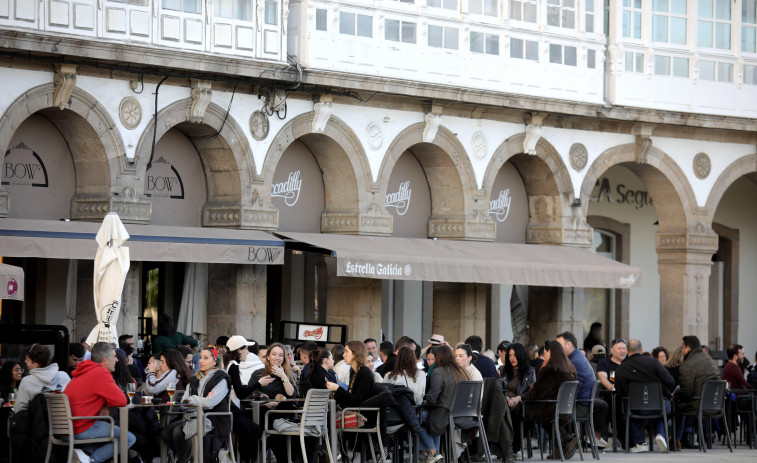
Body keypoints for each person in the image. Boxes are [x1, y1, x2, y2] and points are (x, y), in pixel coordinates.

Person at [64, 342, 136, 463]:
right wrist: (107, 404)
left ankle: (84, 453)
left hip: (65, 427)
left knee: (112, 432)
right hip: (81, 427)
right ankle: (90, 460)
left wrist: (106, 404)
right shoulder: (100, 373)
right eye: (114, 356)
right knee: (128, 438)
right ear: (105, 360)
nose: (117, 360)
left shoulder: (84, 371)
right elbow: (122, 400)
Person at [162, 346, 232, 463]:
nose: (201, 361)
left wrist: (193, 398)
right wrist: (199, 400)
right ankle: (188, 455)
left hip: (213, 419)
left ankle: (182, 460)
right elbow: (184, 403)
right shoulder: (194, 379)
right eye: (200, 357)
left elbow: (209, 404)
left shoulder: (221, 378)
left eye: (206, 358)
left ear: (215, 361)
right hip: (193, 417)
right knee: (165, 432)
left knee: (178, 432)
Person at [614, 339, 675, 453]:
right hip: (657, 407)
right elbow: (670, 381)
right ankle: (660, 434)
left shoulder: (622, 368)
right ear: (641, 350)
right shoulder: (653, 362)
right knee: (663, 408)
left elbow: (620, 392)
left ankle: (640, 442)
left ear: (627, 351)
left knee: (629, 410)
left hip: (635, 409)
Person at [523, 341, 578, 459]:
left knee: (526, 411)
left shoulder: (550, 369)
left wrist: (523, 397)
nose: (544, 355)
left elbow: (537, 393)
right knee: (543, 416)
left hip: (552, 409)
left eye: (545, 353)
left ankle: (567, 439)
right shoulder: (570, 368)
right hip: (567, 410)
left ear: (549, 352)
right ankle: (561, 447)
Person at [556, 331, 609, 450]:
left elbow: (573, 391)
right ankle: (564, 444)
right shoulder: (575, 358)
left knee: (547, 414)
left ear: (569, 345)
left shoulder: (576, 362)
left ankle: (565, 444)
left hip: (579, 406)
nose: (557, 348)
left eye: (559, 344)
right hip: (581, 402)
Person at [419, 344, 470, 463]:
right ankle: (434, 455)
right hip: (463, 414)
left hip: (445, 414)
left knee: (417, 418)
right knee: (431, 418)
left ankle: (433, 452)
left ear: (439, 358)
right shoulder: (462, 371)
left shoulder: (438, 372)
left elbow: (432, 400)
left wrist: (424, 400)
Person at [111, 350, 161, 463]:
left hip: (122, 420)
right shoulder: (128, 380)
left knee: (141, 431)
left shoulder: (126, 380)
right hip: (121, 420)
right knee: (144, 433)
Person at [674, 335, 720, 450]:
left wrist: (676, 394)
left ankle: (675, 440)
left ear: (688, 348)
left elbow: (687, 392)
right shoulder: (709, 358)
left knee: (675, 406)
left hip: (698, 405)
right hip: (715, 404)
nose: (682, 350)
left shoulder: (687, 364)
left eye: (682, 347)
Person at [223, 335, 262, 463]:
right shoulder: (233, 365)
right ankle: (247, 459)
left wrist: (252, 389)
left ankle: (242, 457)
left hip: (228, 408)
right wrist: (259, 384)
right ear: (239, 350)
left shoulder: (229, 364)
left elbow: (238, 387)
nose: (248, 352)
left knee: (252, 424)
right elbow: (240, 392)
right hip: (229, 409)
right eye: (246, 349)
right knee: (254, 427)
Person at [500, 343, 535, 456]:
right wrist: (507, 399)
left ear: (521, 355)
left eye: (515, 355)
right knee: (501, 412)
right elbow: (499, 389)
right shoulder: (504, 371)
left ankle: (514, 447)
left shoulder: (530, 372)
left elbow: (533, 391)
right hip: (505, 402)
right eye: (510, 355)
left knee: (521, 413)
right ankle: (506, 447)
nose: (512, 358)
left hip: (522, 403)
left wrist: (519, 398)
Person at [14, 344, 70, 412]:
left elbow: (19, 410)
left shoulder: (27, 382)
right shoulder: (64, 376)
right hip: (64, 421)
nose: (25, 361)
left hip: (38, 421)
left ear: (35, 365)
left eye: (27, 360)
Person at [326, 341, 375, 408]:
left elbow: (357, 401)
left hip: (363, 414)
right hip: (352, 410)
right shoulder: (353, 371)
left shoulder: (365, 373)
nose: (343, 355)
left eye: (346, 351)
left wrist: (338, 389)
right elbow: (350, 398)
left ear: (355, 354)